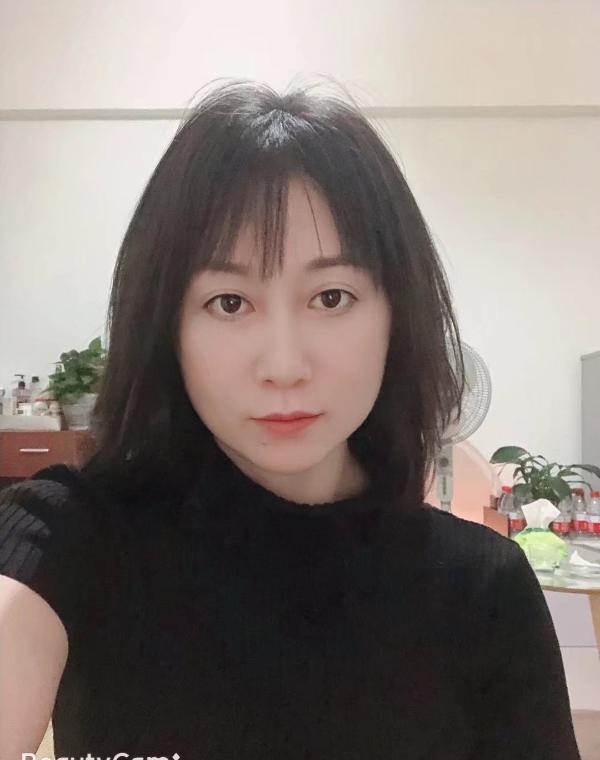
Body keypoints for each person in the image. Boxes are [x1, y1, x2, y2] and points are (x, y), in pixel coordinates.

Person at [0, 78, 582, 759]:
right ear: (166, 327)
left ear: (396, 316)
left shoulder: (483, 589)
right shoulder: (72, 537)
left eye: (331, 297)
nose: (283, 364)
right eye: (229, 302)